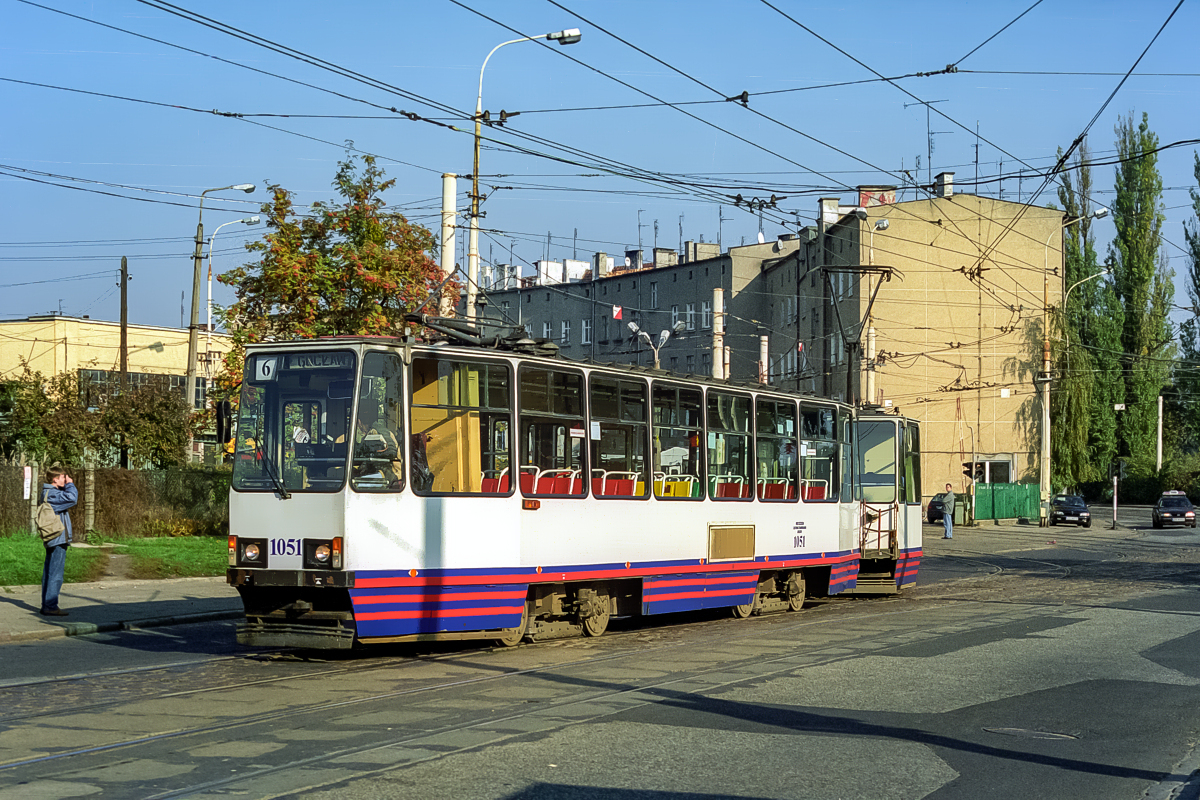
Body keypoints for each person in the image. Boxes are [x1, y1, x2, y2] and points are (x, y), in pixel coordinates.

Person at [40, 466, 78, 617]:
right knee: (55, 573)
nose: (65, 479)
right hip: (57, 538)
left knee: (49, 572)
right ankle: (50, 606)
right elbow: (72, 498)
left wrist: (66, 484)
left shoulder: (49, 492)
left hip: (53, 537)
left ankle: (47, 604)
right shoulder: (52, 494)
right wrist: (70, 484)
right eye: (63, 477)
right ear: (55, 479)